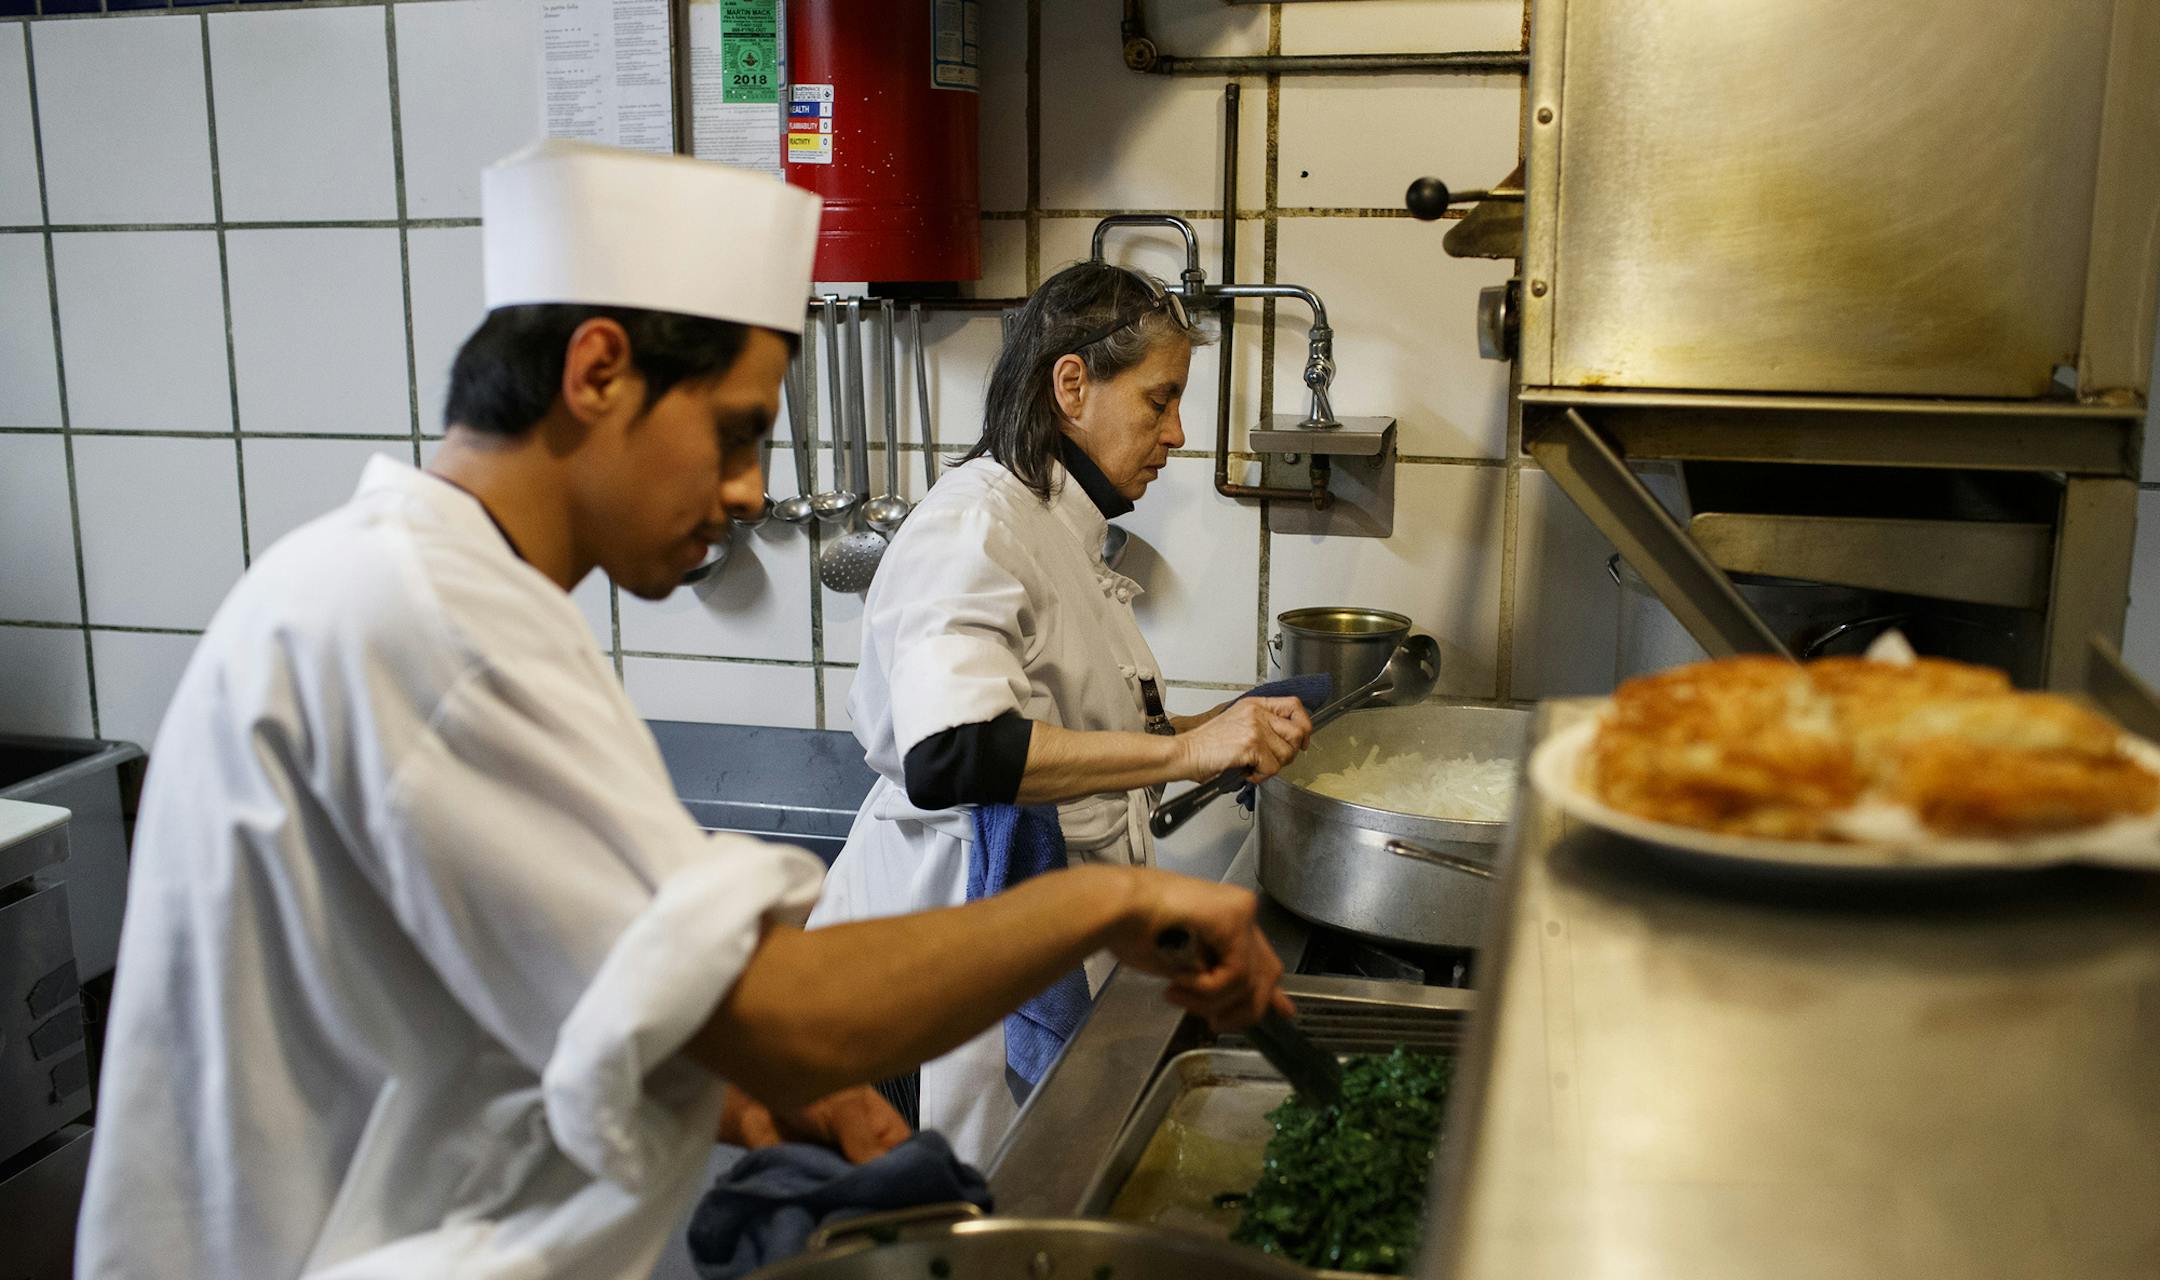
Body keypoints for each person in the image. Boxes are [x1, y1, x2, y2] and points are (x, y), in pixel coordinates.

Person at [73, 143, 1289, 1280]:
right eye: (735, 430)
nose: (753, 486)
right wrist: (1115, 899)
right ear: (598, 370)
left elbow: (500, 982)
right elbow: (775, 1005)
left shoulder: (448, 597)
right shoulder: (419, 620)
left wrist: (726, 1076)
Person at [809, 261, 1317, 1165]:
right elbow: (956, 753)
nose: (1177, 434)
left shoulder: (1057, 530)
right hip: (926, 967)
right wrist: (1187, 753)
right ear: (1072, 384)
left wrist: (1218, 729)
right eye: (1158, 402)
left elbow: (1069, 716)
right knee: (926, 1232)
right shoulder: (976, 526)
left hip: (1015, 941)